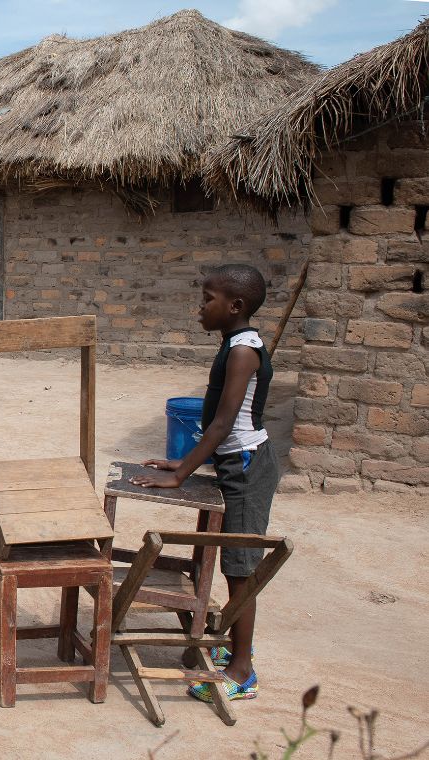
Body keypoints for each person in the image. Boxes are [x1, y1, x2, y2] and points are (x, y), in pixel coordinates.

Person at [129, 263, 279, 703]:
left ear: (235, 306)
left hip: (247, 468)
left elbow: (221, 425)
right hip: (236, 460)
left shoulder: (241, 352)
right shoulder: (234, 343)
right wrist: (181, 460)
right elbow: (216, 426)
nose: (200, 307)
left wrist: (179, 474)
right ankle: (231, 647)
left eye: (208, 300)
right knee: (234, 561)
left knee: (241, 568)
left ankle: (242, 670)